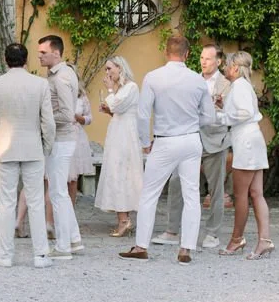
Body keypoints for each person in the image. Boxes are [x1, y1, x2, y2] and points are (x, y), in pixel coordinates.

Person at [119, 34, 215, 264]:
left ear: (166, 52)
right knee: (191, 194)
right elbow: (210, 117)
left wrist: (145, 142)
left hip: (164, 140)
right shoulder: (197, 80)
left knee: (149, 194)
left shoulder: (153, 78)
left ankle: (141, 246)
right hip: (190, 139)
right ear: (187, 54)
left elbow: (143, 115)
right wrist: (192, 124)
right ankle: (186, 248)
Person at [153, 44, 231, 250]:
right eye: (202, 58)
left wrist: (217, 109)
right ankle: (172, 230)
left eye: (208, 58)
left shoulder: (226, 84)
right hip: (190, 138)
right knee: (176, 182)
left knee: (216, 188)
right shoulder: (192, 79)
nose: (203, 61)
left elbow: (230, 114)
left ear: (218, 61)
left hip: (215, 140)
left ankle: (213, 233)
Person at [0, 42, 56, 268]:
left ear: (5, 60)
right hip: (33, 147)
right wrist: (46, 146)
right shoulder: (40, 84)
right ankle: (41, 255)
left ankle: (5, 255)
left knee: (6, 204)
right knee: (36, 202)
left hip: (5, 148)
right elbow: (48, 123)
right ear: (26, 60)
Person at [219, 51, 274, 259]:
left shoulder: (239, 86)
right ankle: (264, 240)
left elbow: (244, 113)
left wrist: (222, 116)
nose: (224, 68)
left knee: (240, 195)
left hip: (245, 142)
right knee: (256, 193)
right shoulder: (244, 86)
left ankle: (237, 239)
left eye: (227, 65)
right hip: (253, 138)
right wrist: (224, 107)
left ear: (234, 68)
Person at [37, 36, 84, 257]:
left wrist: (42, 118)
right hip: (61, 139)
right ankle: (74, 240)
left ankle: (63, 246)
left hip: (61, 139)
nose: (39, 56)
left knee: (57, 193)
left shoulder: (62, 77)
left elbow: (66, 114)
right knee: (59, 191)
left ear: (56, 53)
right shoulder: (59, 74)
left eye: (43, 52)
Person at [94, 56, 143, 237]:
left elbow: (117, 105)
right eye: (106, 70)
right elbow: (117, 111)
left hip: (125, 137)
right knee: (116, 173)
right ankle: (123, 219)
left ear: (120, 68)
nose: (107, 73)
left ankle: (124, 220)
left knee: (121, 174)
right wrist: (108, 110)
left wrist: (109, 89)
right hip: (118, 133)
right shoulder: (122, 89)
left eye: (109, 68)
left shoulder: (131, 87)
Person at [68, 86, 95, 204]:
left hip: (77, 138)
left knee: (73, 178)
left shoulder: (82, 97)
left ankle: (71, 210)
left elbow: (89, 118)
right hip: (60, 137)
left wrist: (80, 118)